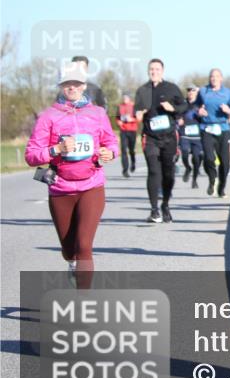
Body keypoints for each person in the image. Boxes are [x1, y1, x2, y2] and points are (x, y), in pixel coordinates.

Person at [26, 61, 118, 288]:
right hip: (61, 188)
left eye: (76, 83)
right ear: (61, 86)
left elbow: (111, 142)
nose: (72, 87)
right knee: (69, 249)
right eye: (68, 83)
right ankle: (71, 262)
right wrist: (56, 150)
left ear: (84, 85)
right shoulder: (48, 116)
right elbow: (31, 155)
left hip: (92, 186)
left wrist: (110, 152)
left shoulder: (97, 113)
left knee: (84, 245)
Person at [134, 58, 188, 223]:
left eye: (157, 69)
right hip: (150, 137)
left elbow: (184, 106)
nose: (154, 72)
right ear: (148, 71)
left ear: (162, 71)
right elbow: (137, 112)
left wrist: (173, 109)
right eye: (151, 69)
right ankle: (154, 210)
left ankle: (165, 205)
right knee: (153, 171)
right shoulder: (142, 90)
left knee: (168, 173)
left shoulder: (171, 88)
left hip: (169, 137)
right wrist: (139, 114)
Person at [195, 69, 230, 198]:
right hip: (207, 128)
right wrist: (199, 111)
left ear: (221, 78)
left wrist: (228, 110)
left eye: (216, 76)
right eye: (211, 76)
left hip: (223, 129)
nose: (214, 78)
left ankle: (221, 187)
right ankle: (212, 178)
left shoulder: (227, 93)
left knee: (225, 162)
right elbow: (196, 106)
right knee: (209, 158)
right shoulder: (203, 91)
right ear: (209, 78)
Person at [178, 86, 203, 189]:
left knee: (197, 159)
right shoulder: (183, 104)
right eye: (188, 90)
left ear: (196, 93)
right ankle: (188, 168)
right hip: (185, 134)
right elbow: (176, 113)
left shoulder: (200, 104)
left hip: (197, 136)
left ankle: (194, 179)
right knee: (184, 153)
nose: (190, 92)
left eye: (193, 90)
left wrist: (202, 115)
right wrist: (178, 119)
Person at [116, 93, 138, 177]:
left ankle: (133, 162)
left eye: (126, 97)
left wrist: (131, 119)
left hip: (132, 130)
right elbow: (117, 118)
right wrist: (119, 122)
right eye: (123, 97)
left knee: (131, 150)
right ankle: (125, 170)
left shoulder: (133, 106)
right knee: (124, 150)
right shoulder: (119, 106)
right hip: (123, 130)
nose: (124, 99)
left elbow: (138, 118)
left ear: (129, 98)